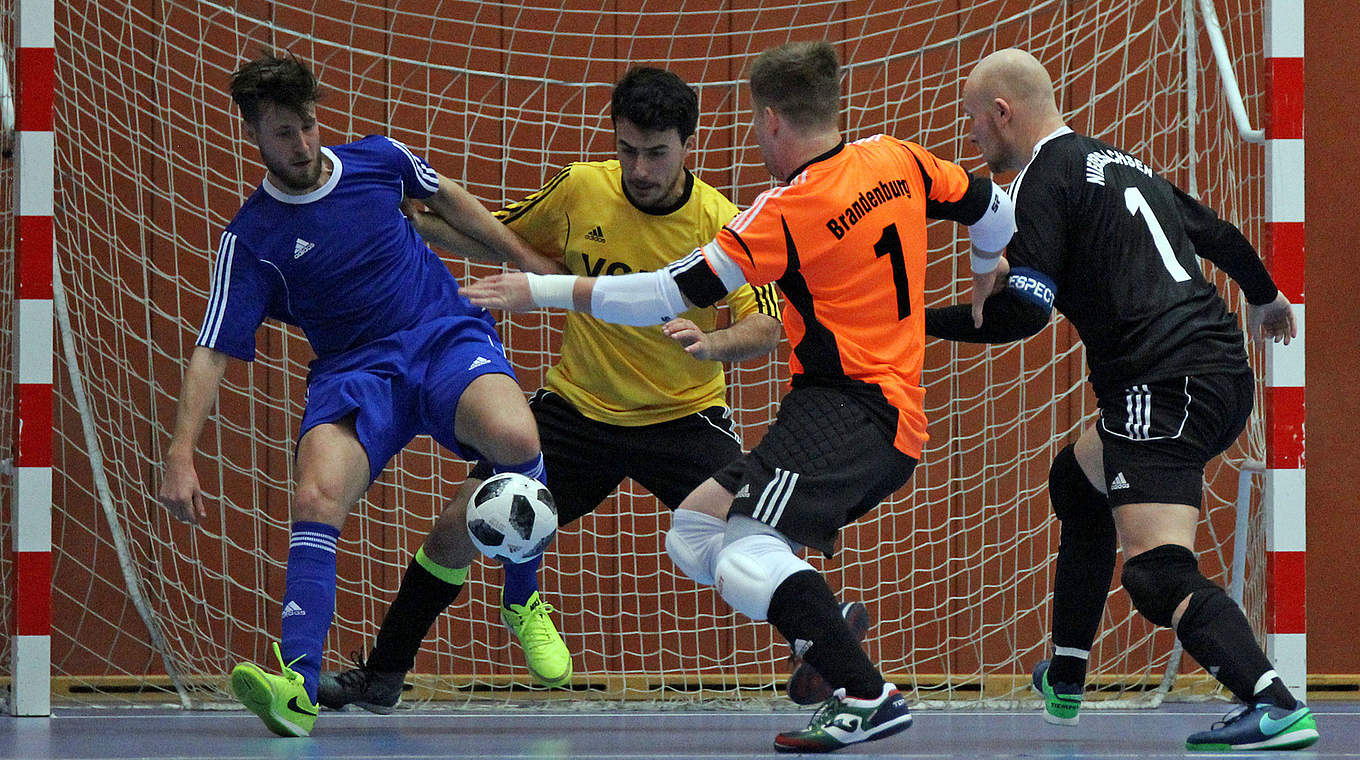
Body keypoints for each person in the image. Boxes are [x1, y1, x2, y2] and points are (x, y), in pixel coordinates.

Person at [463, 41, 1016, 754]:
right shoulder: (897, 159)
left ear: (773, 120)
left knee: (749, 546)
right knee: (694, 532)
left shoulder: (784, 210)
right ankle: (823, 625)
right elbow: (993, 204)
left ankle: (866, 693)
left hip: (846, 410)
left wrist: (533, 290)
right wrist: (981, 269)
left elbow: (662, 293)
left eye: (757, 126)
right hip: (873, 411)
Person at [314, 66, 784, 711]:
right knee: (458, 523)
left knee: (755, 529)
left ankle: (821, 650)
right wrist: (414, 223)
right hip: (578, 411)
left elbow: (768, 323)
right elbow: (499, 236)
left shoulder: (722, 223)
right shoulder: (581, 189)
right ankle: (382, 673)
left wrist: (716, 343)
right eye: (627, 150)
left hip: (684, 416)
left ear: (688, 145)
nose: (639, 169)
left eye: (656, 153)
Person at [156, 53, 560, 738]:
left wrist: (529, 263)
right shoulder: (250, 239)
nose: (304, 144)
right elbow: (212, 350)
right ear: (254, 134)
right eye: (285, 133)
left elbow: (449, 197)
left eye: (310, 126)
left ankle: (522, 600)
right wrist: (180, 453)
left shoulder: (377, 159)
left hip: (442, 336)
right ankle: (298, 685)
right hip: (353, 374)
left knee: (519, 441)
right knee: (315, 496)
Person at [924, 48, 1316, 751]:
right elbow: (1219, 234)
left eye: (973, 122)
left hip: (1162, 386)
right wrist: (1265, 295)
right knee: (1076, 481)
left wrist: (911, 324)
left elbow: (1023, 316)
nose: (972, 137)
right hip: (1218, 376)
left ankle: (1274, 700)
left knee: (1154, 572)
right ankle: (1068, 674)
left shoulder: (1042, 180)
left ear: (1003, 114)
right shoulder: (1120, 162)